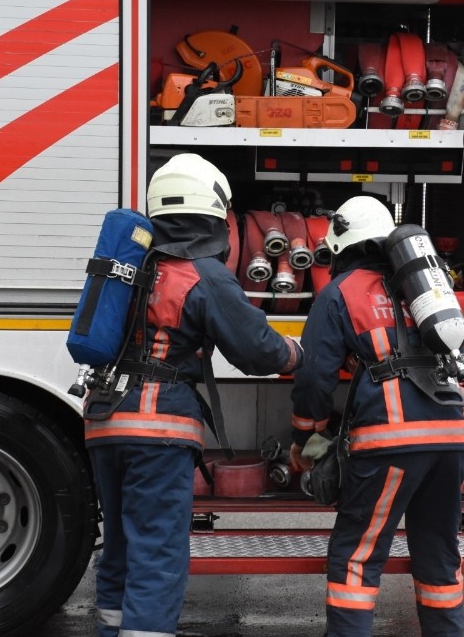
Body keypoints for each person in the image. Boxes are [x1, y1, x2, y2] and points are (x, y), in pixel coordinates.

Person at [84, 153, 304, 637]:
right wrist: (299, 354)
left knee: (121, 542)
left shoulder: (130, 266)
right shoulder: (202, 273)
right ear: (214, 210)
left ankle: (111, 629)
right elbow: (257, 352)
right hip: (158, 429)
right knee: (158, 549)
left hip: (103, 421)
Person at [289, 196, 464, 637]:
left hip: (392, 441)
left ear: (341, 245)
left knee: (357, 556)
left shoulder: (340, 292)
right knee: (439, 556)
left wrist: (306, 435)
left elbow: (314, 375)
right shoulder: (429, 289)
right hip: (454, 434)